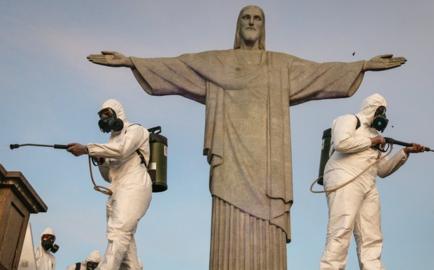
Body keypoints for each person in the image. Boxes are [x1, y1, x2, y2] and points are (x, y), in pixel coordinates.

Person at [86, 6, 406, 269]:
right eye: (246, 18)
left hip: (269, 166)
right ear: (238, 27)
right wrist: (131, 61)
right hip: (229, 162)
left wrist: (363, 66)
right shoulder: (217, 63)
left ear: (263, 28)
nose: (251, 23)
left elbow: (319, 73)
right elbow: (178, 67)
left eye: (257, 19)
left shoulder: (279, 66)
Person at [320, 93, 425, 270]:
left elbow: (382, 170)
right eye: (380, 111)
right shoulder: (349, 120)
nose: (382, 117)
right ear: (372, 109)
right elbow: (341, 143)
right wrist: (371, 141)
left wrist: (404, 153)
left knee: (371, 236)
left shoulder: (376, 136)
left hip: (368, 184)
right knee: (341, 229)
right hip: (344, 178)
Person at [67, 99, 151, 270]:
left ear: (117, 113)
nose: (104, 119)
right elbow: (108, 176)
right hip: (117, 191)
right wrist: (101, 160)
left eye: (107, 114)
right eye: (101, 116)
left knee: (118, 233)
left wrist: (87, 149)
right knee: (126, 246)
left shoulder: (136, 130)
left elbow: (122, 150)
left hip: (135, 186)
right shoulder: (111, 140)